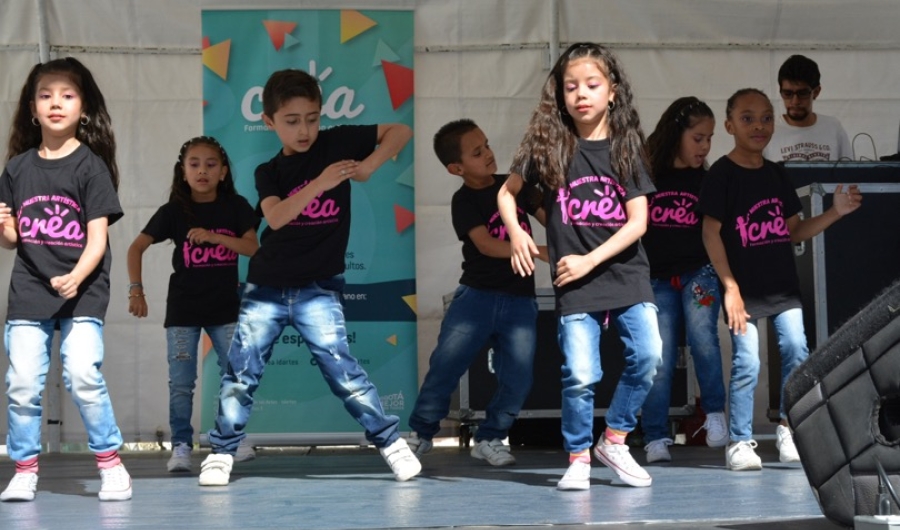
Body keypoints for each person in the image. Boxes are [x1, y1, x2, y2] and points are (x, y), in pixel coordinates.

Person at [198, 68, 420, 486]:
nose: (304, 130)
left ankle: (391, 443)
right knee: (241, 374)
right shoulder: (268, 171)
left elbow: (400, 130)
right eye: (292, 121)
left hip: (319, 289)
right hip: (266, 288)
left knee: (344, 372)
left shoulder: (337, 141)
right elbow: (277, 217)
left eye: (312, 118)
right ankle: (222, 452)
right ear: (269, 122)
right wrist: (321, 182)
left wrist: (370, 165)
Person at [498, 42, 662, 490]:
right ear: (560, 94)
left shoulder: (626, 146)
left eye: (592, 84)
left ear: (612, 92)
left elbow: (639, 222)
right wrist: (518, 234)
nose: (581, 94)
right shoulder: (549, 145)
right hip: (575, 285)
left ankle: (614, 439)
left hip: (625, 275)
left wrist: (590, 258)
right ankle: (578, 458)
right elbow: (506, 193)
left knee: (648, 356)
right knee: (581, 374)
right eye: (571, 86)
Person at [699, 88, 862, 471]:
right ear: (729, 125)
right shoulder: (721, 175)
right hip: (742, 290)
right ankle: (739, 442)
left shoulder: (776, 174)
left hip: (782, 287)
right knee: (748, 362)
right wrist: (731, 288)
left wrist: (835, 213)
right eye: (748, 118)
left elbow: (794, 231)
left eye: (766, 118)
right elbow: (710, 233)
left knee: (796, 349)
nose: (759, 126)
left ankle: (789, 428)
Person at [0, 57, 131, 502]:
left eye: (67, 95)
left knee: (82, 375)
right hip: (30, 292)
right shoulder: (17, 169)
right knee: (21, 384)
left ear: (84, 108)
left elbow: (98, 239)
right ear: (32, 109)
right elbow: (14, 239)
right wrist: (5, 230)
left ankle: (111, 464)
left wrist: (76, 276)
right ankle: (23, 468)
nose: (56, 102)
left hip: (83, 290)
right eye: (45, 95)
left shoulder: (90, 166)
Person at [406, 119, 547, 466]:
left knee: (519, 375)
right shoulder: (463, 201)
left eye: (486, 145)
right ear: (456, 168)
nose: (488, 154)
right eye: (476, 151)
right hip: (476, 298)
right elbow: (485, 245)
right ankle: (421, 435)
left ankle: (492, 437)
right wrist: (540, 251)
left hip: (519, 300)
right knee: (445, 366)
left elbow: (552, 217)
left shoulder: (515, 186)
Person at [126, 136, 259, 473]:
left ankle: (230, 439)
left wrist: (215, 237)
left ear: (224, 171)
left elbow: (252, 249)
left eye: (211, 164)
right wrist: (136, 291)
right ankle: (182, 446)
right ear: (183, 172)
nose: (203, 171)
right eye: (195, 164)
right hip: (184, 310)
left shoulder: (237, 206)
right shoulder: (173, 211)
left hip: (225, 307)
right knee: (182, 383)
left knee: (235, 375)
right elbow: (135, 248)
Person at [640, 97, 728, 463]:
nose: (705, 146)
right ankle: (656, 436)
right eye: (698, 138)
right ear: (677, 134)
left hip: (699, 272)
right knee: (658, 356)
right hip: (656, 278)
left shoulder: (708, 180)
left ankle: (715, 415)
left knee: (703, 338)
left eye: (709, 139)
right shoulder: (648, 176)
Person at [764, 55, 851, 162]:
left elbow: (848, 174)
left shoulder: (833, 127)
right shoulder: (768, 132)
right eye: (788, 93)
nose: (795, 101)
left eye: (802, 93)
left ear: (816, 92)